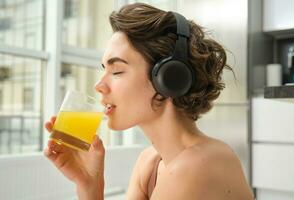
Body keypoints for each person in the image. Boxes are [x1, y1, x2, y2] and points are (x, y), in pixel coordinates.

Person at [44, 3, 254, 200]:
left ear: (168, 78)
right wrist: (89, 185)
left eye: (116, 70)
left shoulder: (197, 165)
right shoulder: (150, 161)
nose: (99, 85)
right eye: (104, 70)